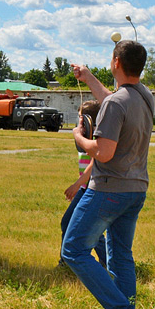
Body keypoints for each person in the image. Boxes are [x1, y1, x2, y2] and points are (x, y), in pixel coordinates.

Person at [63, 41, 154, 309]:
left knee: (74, 249)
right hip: (135, 189)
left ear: (116, 62)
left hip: (108, 190)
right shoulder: (143, 96)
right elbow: (111, 99)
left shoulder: (116, 104)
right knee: (119, 255)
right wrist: (87, 76)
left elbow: (102, 152)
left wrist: (79, 137)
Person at [60, 100, 107, 267]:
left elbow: (93, 166)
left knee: (75, 225)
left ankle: (65, 261)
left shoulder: (96, 138)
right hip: (85, 188)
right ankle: (108, 262)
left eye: (80, 118)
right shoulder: (86, 137)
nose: (78, 122)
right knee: (90, 230)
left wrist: (77, 185)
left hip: (89, 188)